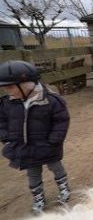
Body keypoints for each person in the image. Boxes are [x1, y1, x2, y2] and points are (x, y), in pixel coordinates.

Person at [0, 60, 71, 215]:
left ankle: (63, 187)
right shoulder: (7, 103)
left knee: (55, 166)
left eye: (10, 86)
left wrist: (54, 140)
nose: (7, 90)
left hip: (47, 145)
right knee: (32, 172)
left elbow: (61, 121)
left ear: (26, 84)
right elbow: (2, 121)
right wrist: (6, 137)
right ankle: (38, 197)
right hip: (24, 147)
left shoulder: (51, 100)